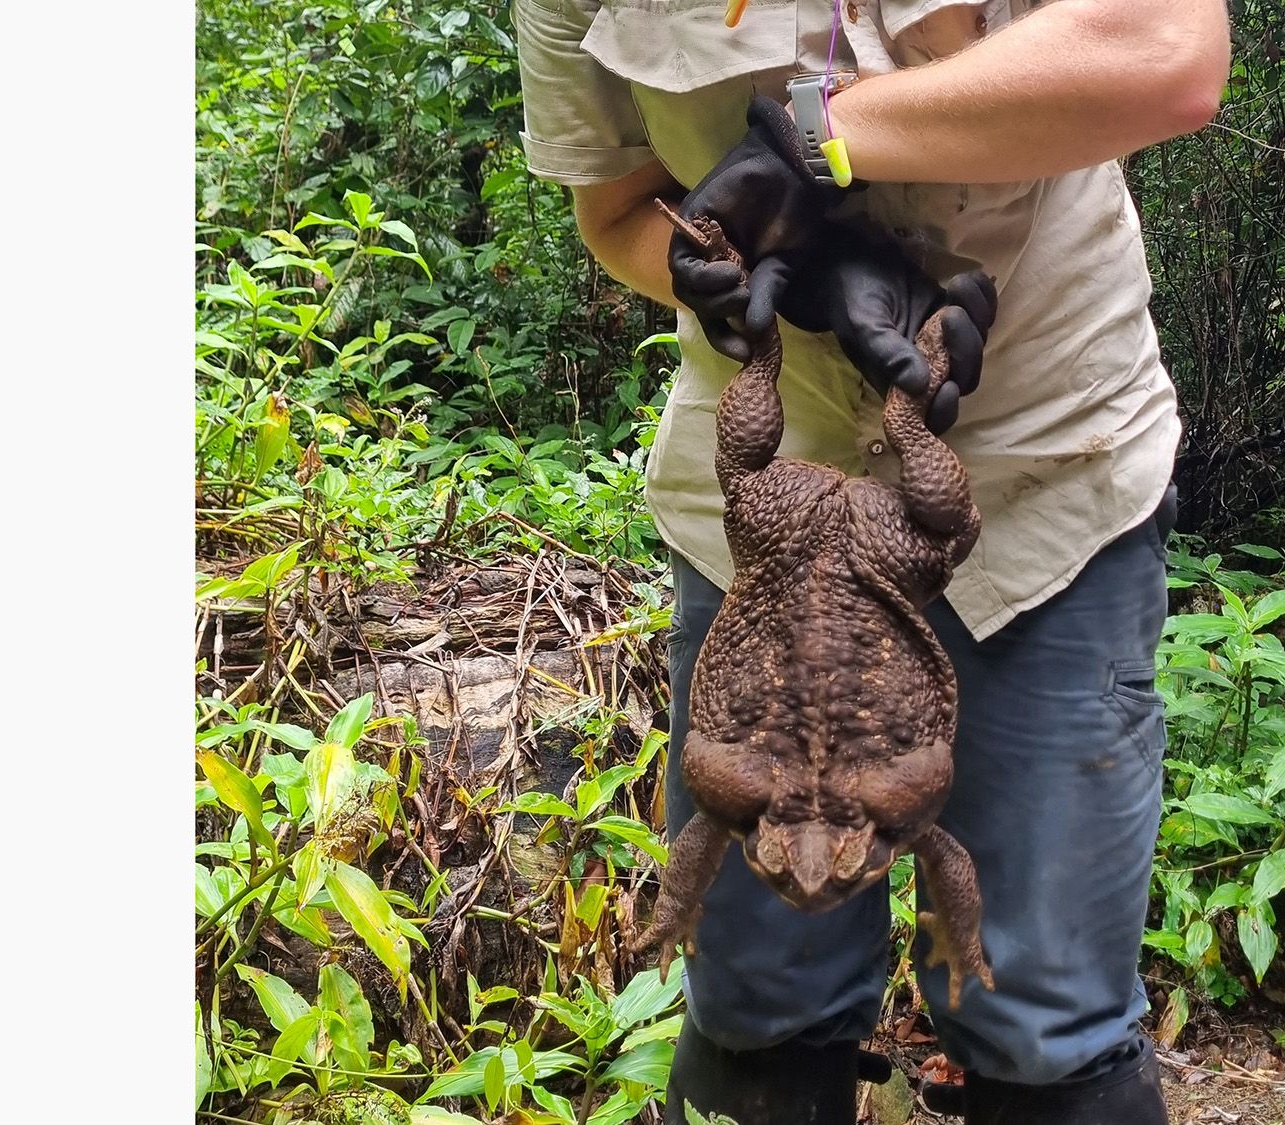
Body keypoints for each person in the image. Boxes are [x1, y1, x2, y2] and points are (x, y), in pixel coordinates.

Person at [513, 2, 1230, 1121]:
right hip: (766, 503)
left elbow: (1166, 58)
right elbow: (614, 211)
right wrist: (749, 270)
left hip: (1042, 470)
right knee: (755, 998)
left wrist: (818, 136)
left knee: (1043, 1012)